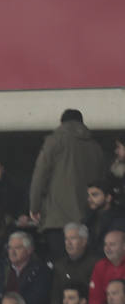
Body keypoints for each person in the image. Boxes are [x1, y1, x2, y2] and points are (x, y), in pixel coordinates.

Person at [29, 110, 108, 259]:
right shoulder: (96, 147)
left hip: (58, 219)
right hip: (88, 219)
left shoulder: (54, 142)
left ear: (62, 123)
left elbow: (39, 176)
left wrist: (35, 206)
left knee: (61, 267)